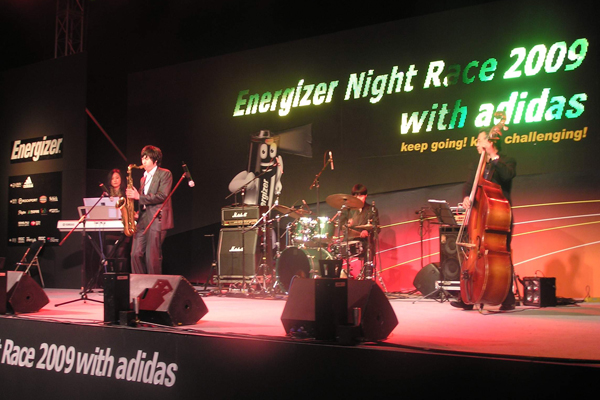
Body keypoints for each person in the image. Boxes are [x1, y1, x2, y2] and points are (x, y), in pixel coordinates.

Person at [451, 127, 517, 311]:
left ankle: (507, 298)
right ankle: (467, 296)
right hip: (479, 217)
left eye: (479, 140)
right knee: (473, 253)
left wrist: (493, 156)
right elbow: (469, 185)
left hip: (498, 216)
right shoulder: (477, 164)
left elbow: (507, 176)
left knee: (501, 255)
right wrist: (466, 197)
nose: (477, 144)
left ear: (489, 142)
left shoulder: (506, 160)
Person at [126, 145, 174, 275]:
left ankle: (154, 285)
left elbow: (162, 195)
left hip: (157, 218)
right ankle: (140, 283)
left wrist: (138, 197)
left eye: (146, 158)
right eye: (142, 158)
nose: (143, 161)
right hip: (143, 219)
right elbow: (144, 201)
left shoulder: (165, 174)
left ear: (155, 160)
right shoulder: (143, 178)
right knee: (135, 254)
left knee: (152, 257)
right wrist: (136, 212)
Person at [338, 184, 380, 279]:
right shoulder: (347, 210)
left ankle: (367, 278)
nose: (358, 198)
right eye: (355, 196)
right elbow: (341, 226)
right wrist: (347, 225)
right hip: (349, 240)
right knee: (337, 250)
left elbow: (377, 228)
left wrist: (368, 232)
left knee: (369, 249)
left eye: (361, 195)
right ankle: (338, 276)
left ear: (366, 195)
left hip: (364, 242)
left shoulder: (371, 209)